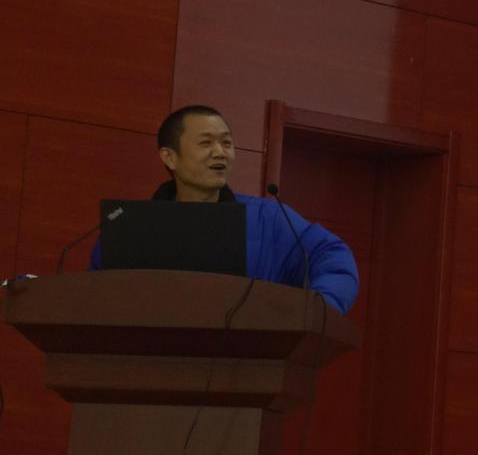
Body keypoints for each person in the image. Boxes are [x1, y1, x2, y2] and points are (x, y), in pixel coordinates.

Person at [90, 105, 360, 313]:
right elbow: (97, 296)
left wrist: (319, 310)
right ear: (170, 157)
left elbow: (331, 257)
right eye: (206, 143)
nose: (220, 152)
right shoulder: (132, 227)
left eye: (227, 143)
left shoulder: (267, 219)